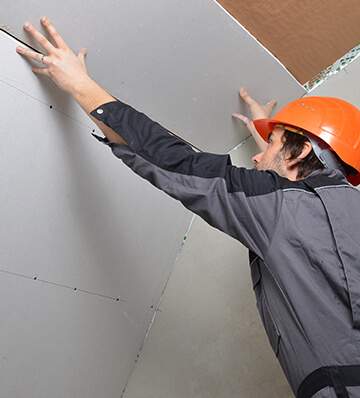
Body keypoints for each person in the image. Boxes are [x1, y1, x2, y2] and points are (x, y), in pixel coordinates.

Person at [16, 17, 360, 398]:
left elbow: (177, 164)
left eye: (273, 145)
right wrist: (278, 139)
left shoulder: (283, 209)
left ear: (301, 153)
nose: (259, 160)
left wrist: (80, 83)